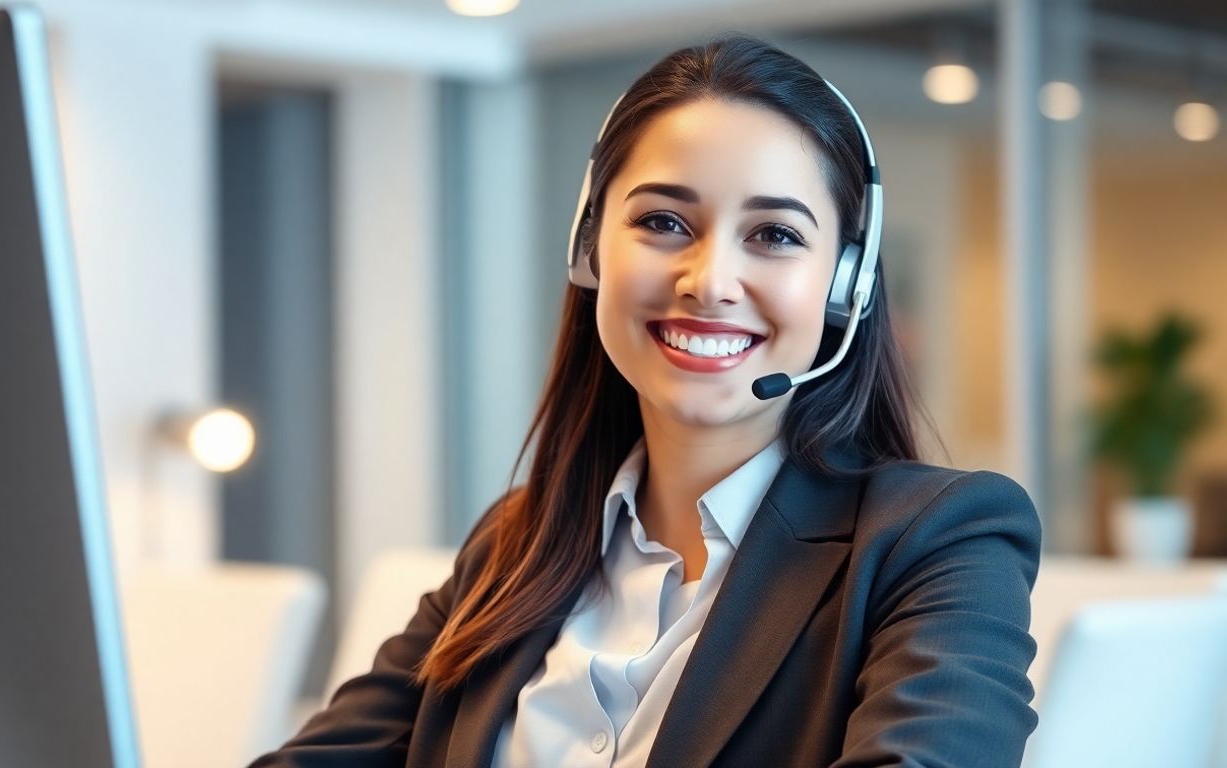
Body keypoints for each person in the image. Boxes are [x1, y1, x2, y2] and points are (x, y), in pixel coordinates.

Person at [249, 34, 1041, 768]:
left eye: (774, 235)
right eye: (664, 221)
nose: (708, 282)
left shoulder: (938, 542)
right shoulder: (515, 546)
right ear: (591, 249)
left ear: (846, 287)